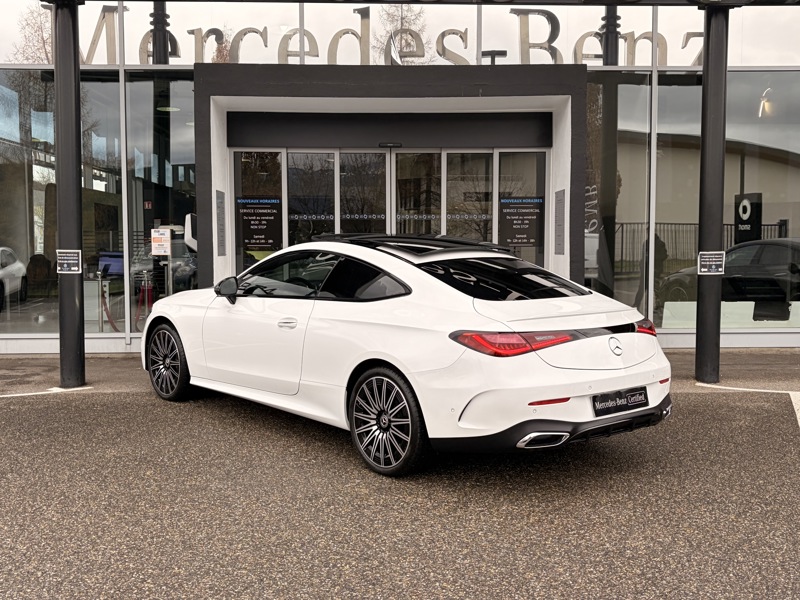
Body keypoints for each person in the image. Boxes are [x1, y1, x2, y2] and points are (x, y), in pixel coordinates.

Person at [634, 233, 668, 310]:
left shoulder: (655, 243)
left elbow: (663, 255)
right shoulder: (648, 243)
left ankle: (637, 304)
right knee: (651, 287)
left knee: (647, 287)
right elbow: (664, 255)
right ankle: (658, 304)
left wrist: (652, 259)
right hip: (651, 267)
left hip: (653, 268)